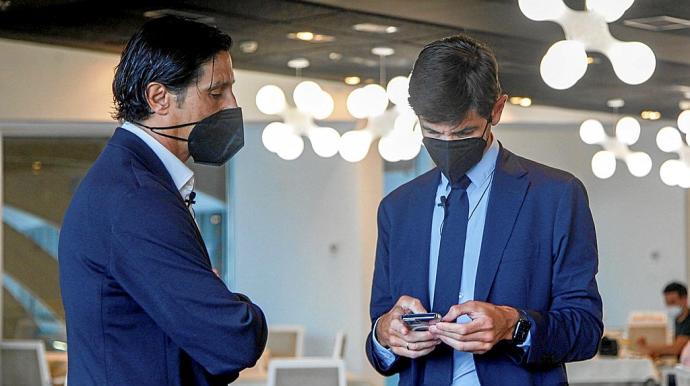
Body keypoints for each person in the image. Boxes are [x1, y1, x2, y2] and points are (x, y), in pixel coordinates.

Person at [365, 34, 603, 385]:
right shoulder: (398, 208)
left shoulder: (554, 196)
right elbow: (379, 338)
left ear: (497, 110)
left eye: (463, 133)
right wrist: (385, 334)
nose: (446, 145)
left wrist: (513, 324)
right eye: (432, 132)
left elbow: (585, 330)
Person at [59, 16, 267, 386]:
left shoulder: (131, 180)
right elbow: (234, 341)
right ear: (158, 98)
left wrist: (210, 303)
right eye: (216, 92)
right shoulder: (136, 198)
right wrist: (233, 304)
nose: (232, 106)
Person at [638, 282, 690, 358]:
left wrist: (647, 347)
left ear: (684, 299)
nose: (670, 306)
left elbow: (675, 349)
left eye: (673, 302)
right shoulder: (677, 319)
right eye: (667, 303)